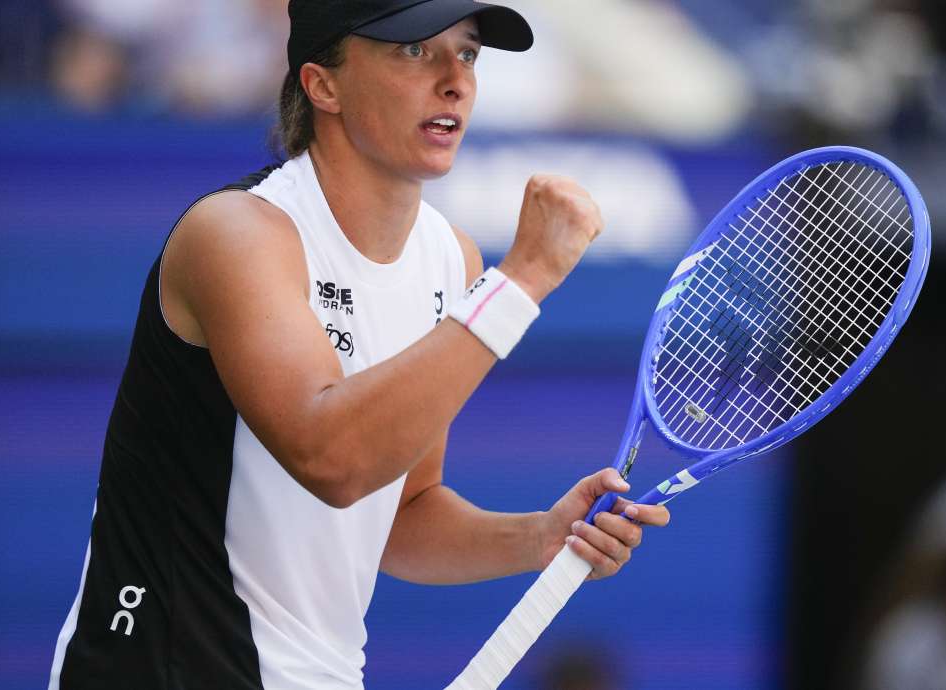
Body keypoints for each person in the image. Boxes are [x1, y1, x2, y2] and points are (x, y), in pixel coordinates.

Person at [47, 2, 670, 688]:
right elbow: (333, 458)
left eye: (466, 54)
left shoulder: (450, 259)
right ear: (323, 85)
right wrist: (523, 281)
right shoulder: (235, 235)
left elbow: (401, 510)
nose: (454, 81)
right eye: (413, 52)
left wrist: (540, 538)